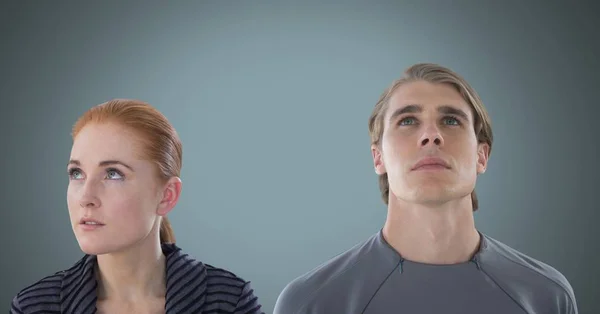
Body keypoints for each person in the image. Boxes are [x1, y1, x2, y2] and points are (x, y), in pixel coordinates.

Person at [273, 63, 578, 314]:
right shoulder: (310, 303)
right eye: (407, 121)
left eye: (450, 120)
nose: (431, 135)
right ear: (378, 157)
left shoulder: (546, 297)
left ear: (481, 156)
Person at [10, 99, 264, 314]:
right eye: (76, 173)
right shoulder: (35, 306)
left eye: (113, 174)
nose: (86, 196)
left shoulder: (230, 302)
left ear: (167, 196)